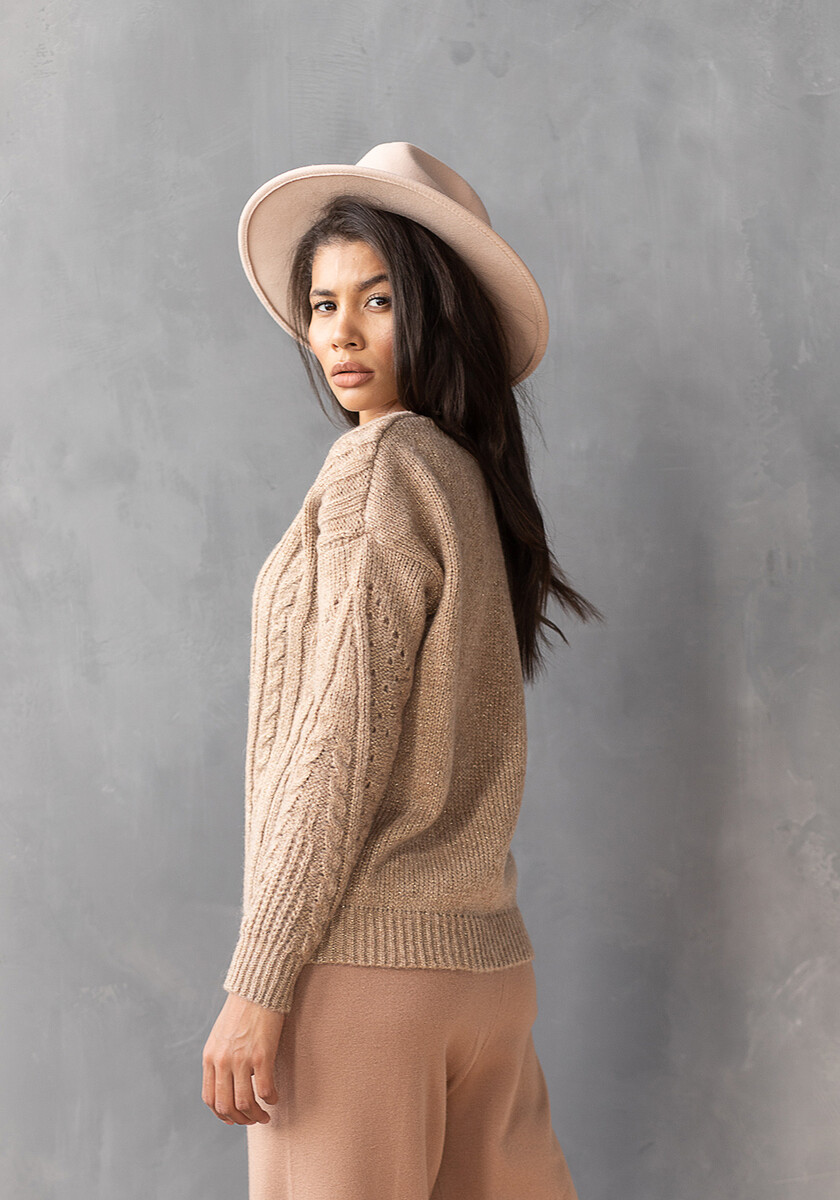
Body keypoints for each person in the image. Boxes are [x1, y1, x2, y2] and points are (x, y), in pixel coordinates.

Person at [201, 142, 603, 1199]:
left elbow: (339, 739)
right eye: (323, 304)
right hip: (485, 976)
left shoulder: (380, 466)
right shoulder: (469, 479)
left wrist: (258, 981)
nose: (340, 332)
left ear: (437, 309)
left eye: (377, 300)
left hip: (364, 980)